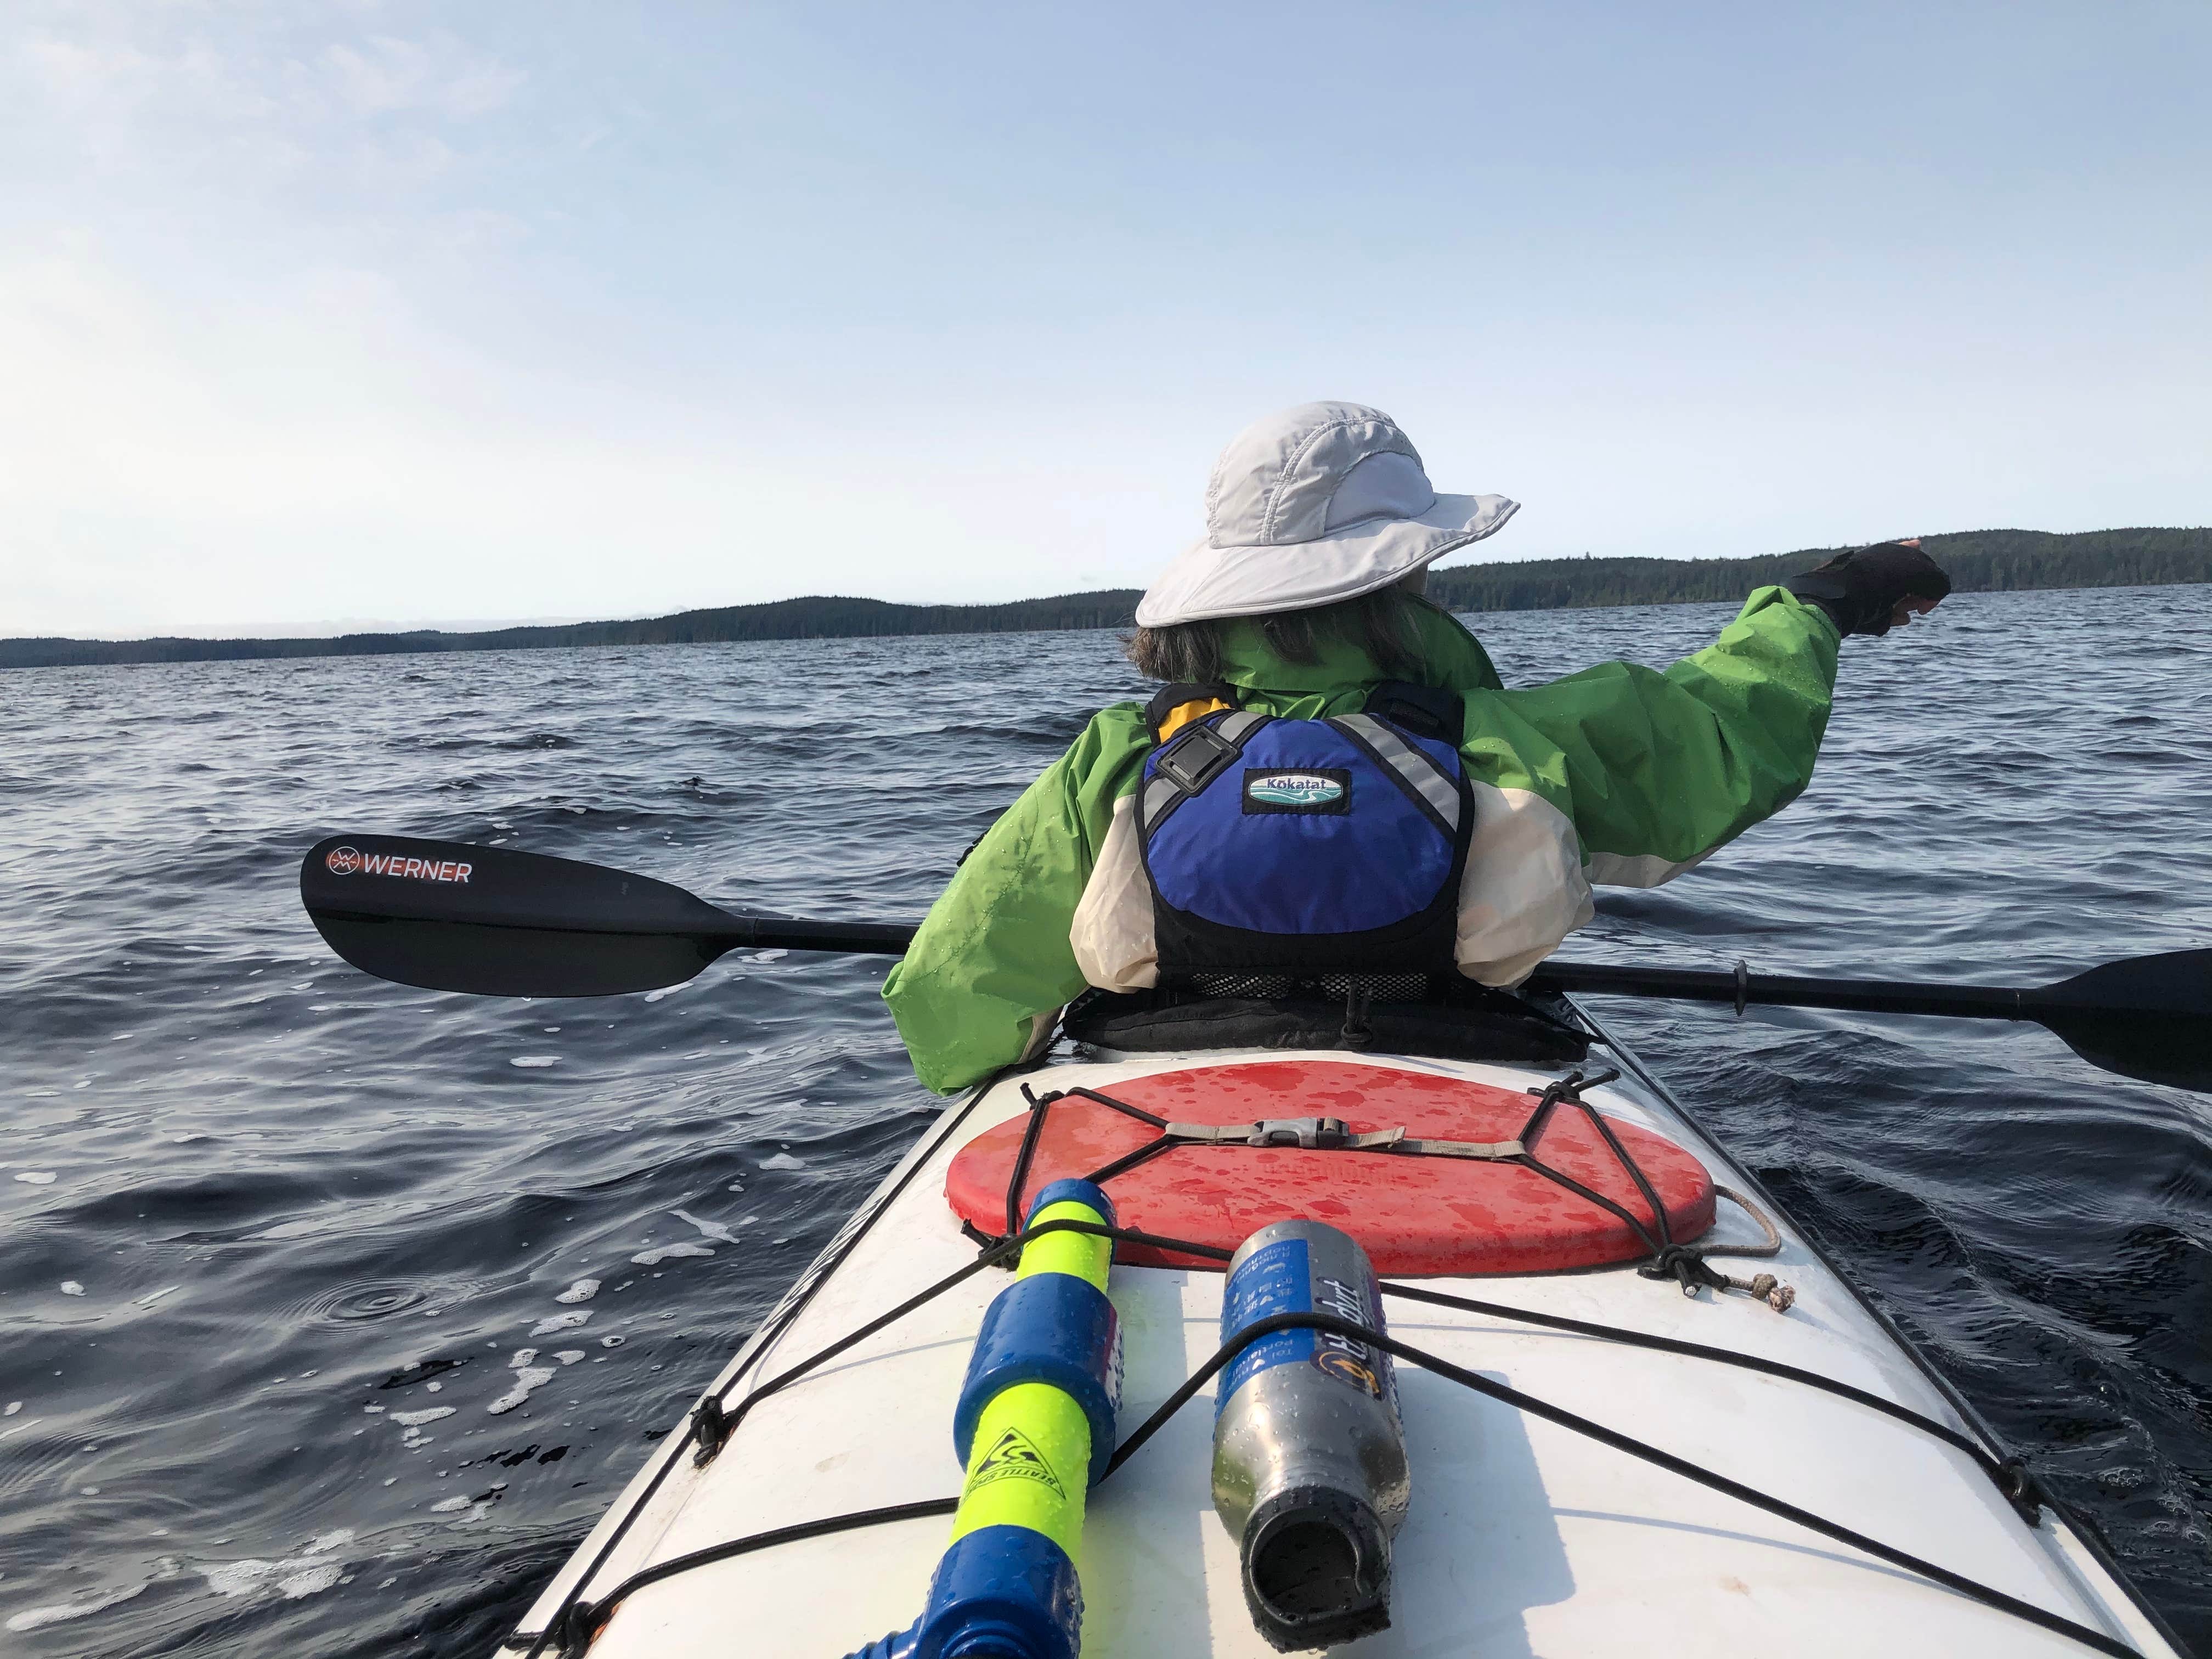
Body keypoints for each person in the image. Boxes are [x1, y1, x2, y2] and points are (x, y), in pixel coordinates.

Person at [882, 402, 1950, 1093]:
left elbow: (949, 992)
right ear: (1406, 579)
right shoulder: (1512, 746)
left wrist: (989, 1088)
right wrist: (1822, 604)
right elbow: (1728, 732)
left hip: (1159, 1091)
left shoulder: (1119, 757)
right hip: (1471, 1081)